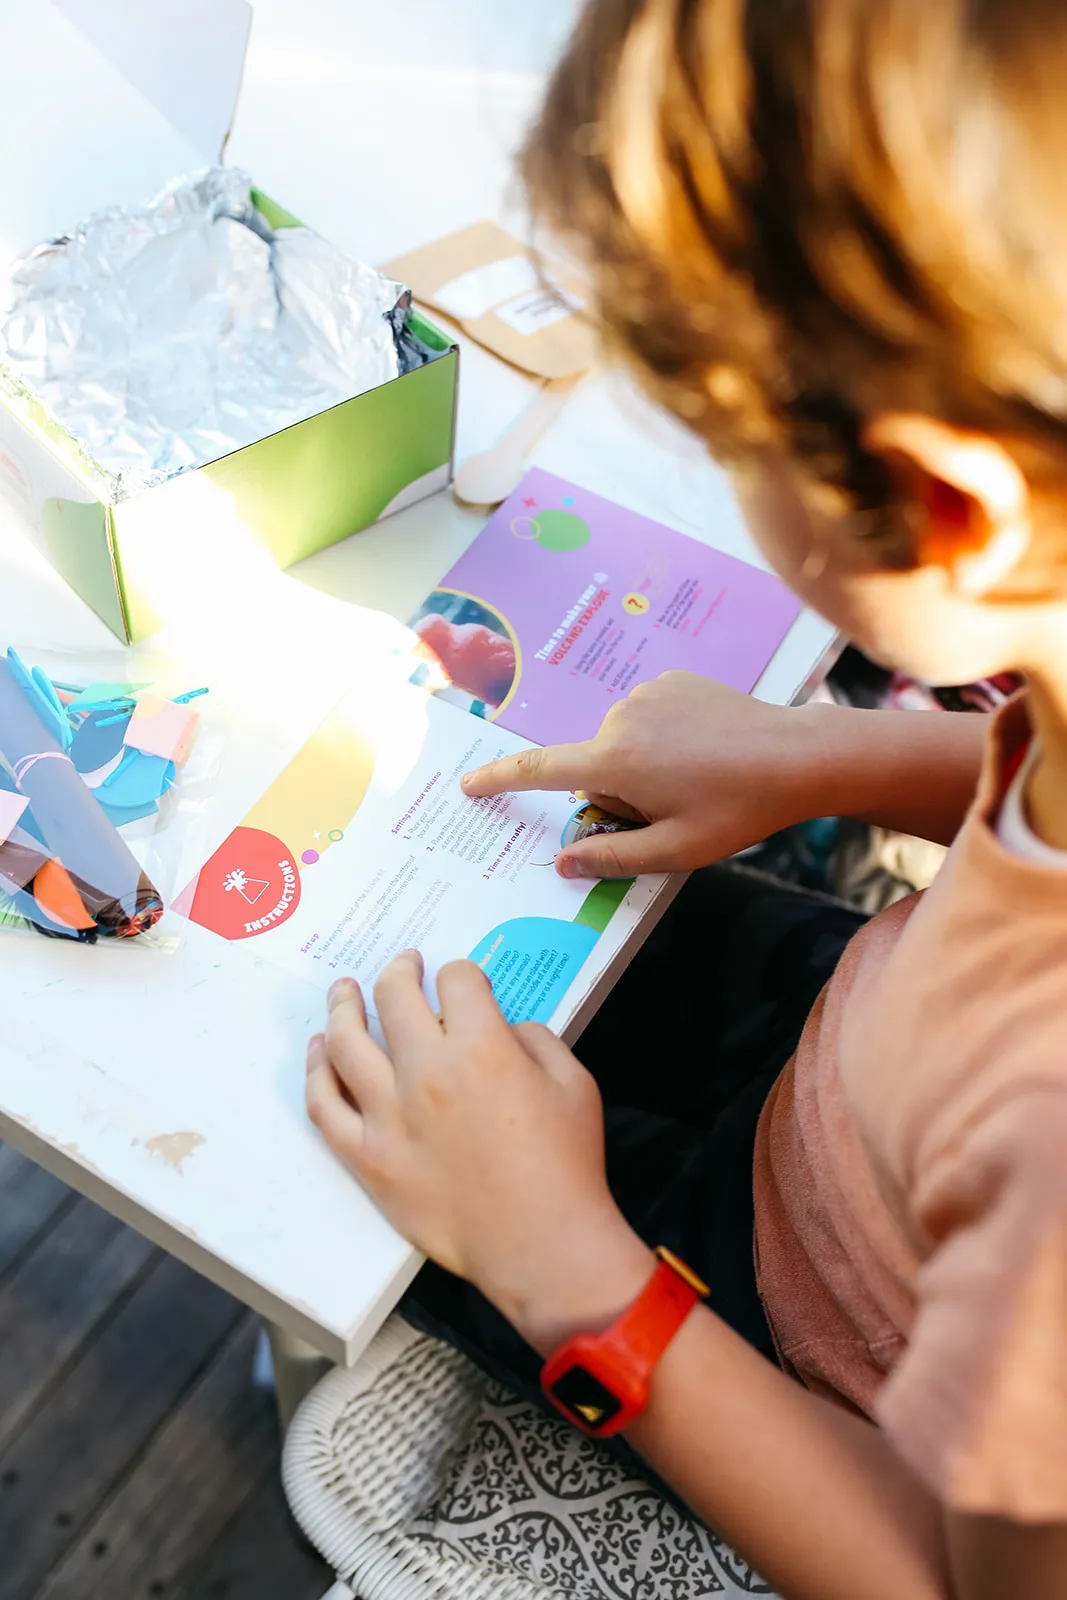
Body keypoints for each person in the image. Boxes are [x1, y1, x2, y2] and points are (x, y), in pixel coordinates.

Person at [304, 2, 1067, 1595]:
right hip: (848, 1066)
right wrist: (834, 755)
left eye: (717, 429)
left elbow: (944, 1578)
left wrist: (569, 1268)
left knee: (299, 1128)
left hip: (769, 1353)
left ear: (942, 508)